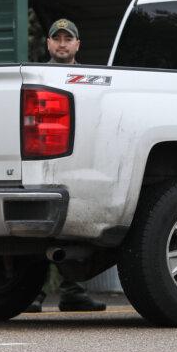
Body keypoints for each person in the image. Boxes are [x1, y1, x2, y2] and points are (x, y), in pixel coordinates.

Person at [29, 18, 107, 313]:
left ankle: (73, 293)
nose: (62, 44)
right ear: (48, 43)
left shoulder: (91, 78)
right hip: (42, 161)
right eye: (56, 38)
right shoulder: (37, 75)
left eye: (67, 39)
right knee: (37, 232)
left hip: (78, 161)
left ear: (77, 44)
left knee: (75, 230)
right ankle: (31, 295)